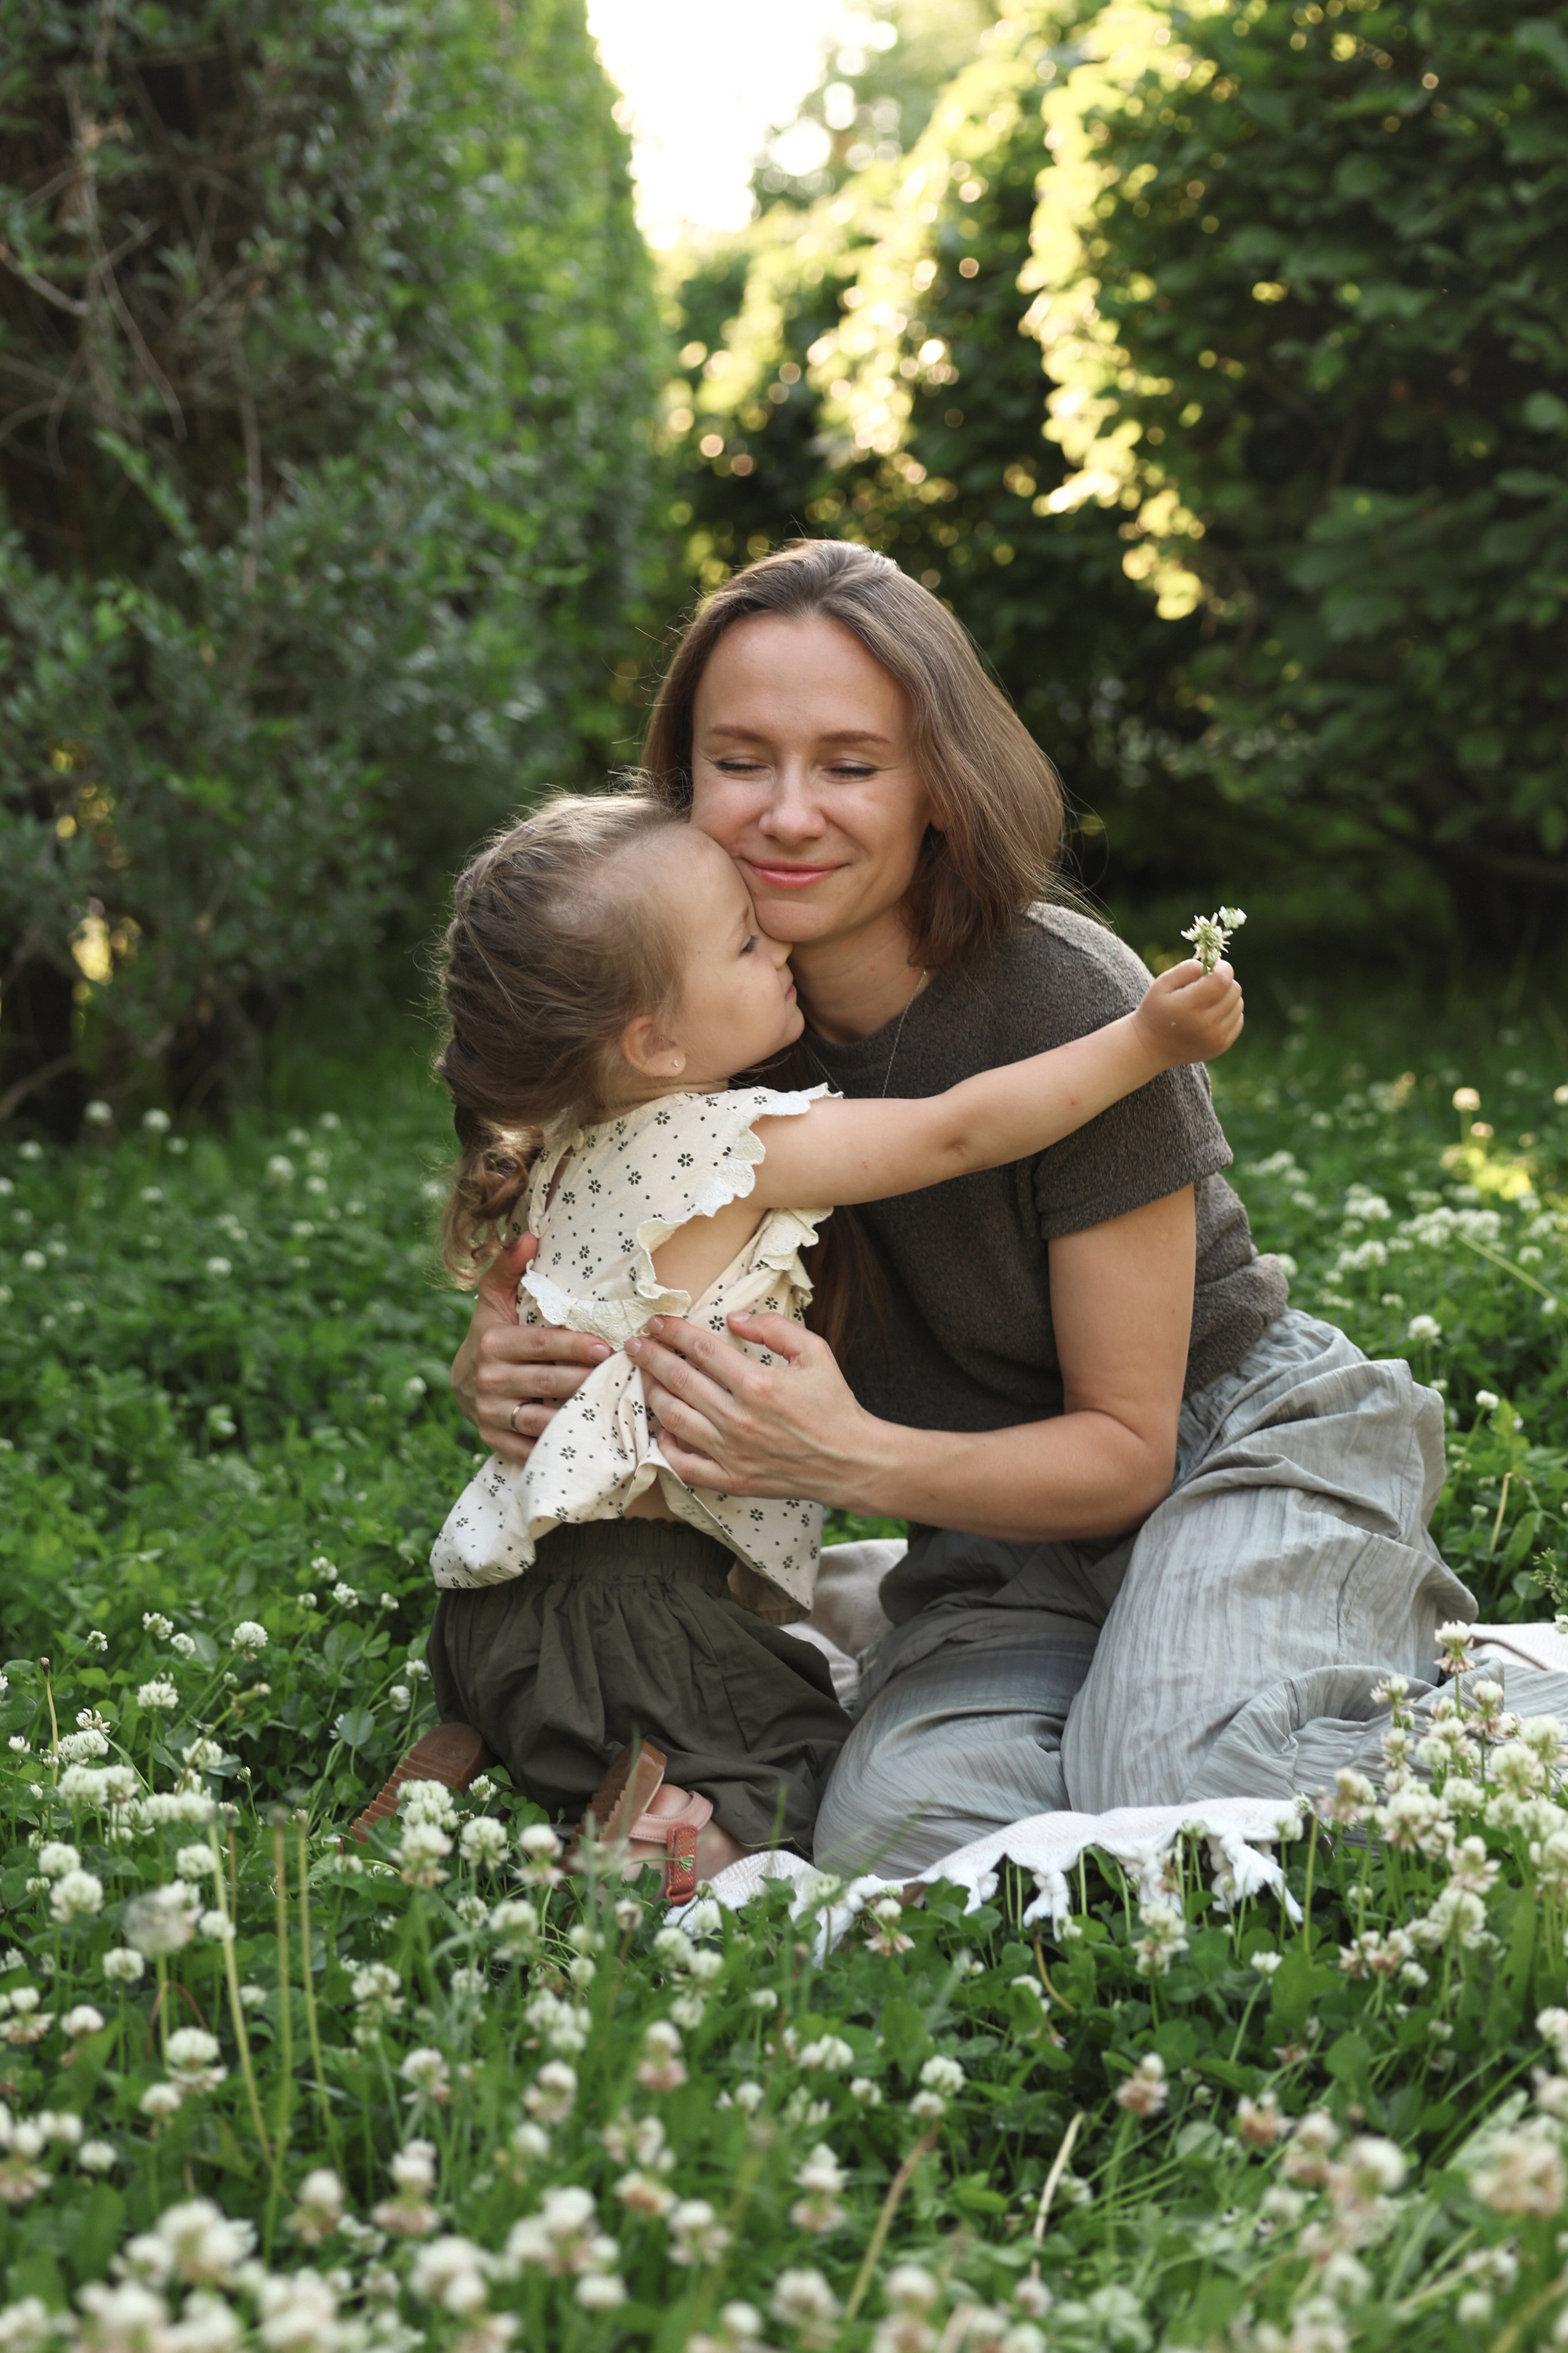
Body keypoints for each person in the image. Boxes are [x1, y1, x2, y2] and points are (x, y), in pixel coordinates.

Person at [450, 538, 1499, 1881]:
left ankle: (1480, 1730)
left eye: (849, 764)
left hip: (1220, 1449)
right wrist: (499, 1369)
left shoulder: (1059, 1007)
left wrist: (848, 1463)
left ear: (936, 785)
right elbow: (571, 1245)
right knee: (901, 1835)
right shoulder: (686, 1030)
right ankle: (1206, 1690)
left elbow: (1124, 1447)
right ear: (680, 778)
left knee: (1179, 1783)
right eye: (738, 761)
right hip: (992, 1547)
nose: (784, 814)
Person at [423, 787, 1242, 1892]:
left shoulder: (562, 1149)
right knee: (815, 1770)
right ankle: (655, 1840)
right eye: (749, 943)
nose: (781, 953)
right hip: (644, 1608)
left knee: (693, 1710)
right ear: (658, 1041)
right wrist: (1142, 1041)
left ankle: (476, 1753)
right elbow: (958, 1129)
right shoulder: (722, 1140)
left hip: (499, 1609)